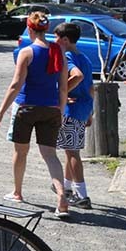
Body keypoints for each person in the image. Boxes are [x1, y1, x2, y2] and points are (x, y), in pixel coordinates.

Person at [0, 11, 70, 219]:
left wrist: (0, 112)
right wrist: (60, 110)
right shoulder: (59, 52)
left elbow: (16, 85)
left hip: (27, 108)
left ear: (29, 28)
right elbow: (63, 88)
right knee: (50, 155)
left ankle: (17, 192)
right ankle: (61, 196)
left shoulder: (27, 52)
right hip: (51, 109)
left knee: (21, 152)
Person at [54, 22, 94, 209]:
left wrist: (62, 93)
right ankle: (67, 187)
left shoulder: (67, 56)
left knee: (73, 153)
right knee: (70, 149)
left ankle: (82, 194)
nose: (54, 42)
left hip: (72, 110)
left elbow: (77, 76)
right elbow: (91, 88)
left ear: (65, 40)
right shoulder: (84, 57)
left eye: (56, 38)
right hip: (83, 109)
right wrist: (90, 113)